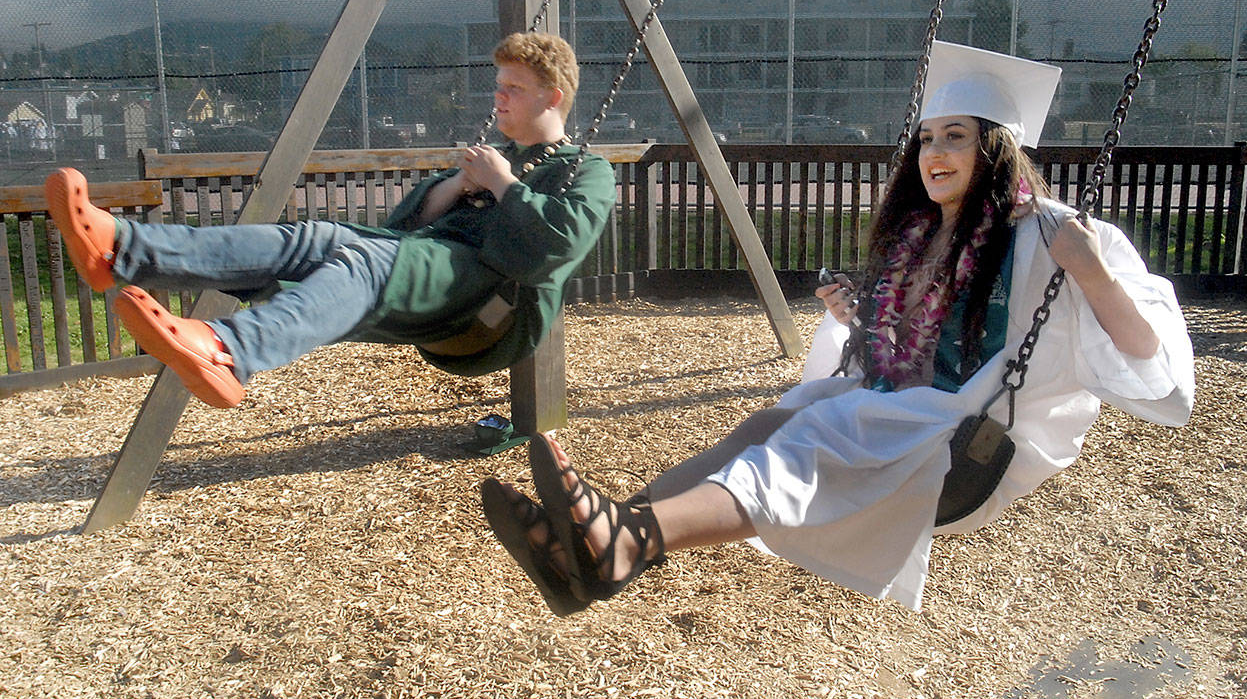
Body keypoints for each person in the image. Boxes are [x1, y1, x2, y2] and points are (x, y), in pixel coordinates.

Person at [480, 41, 1195, 617]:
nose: (934, 153)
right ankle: (593, 543)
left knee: (815, 436)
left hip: (962, 428)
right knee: (768, 422)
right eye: (926, 139)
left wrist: (1094, 275)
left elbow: (1154, 370)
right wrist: (856, 314)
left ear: (997, 148)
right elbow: (906, 340)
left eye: (956, 137)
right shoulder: (923, 234)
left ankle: (628, 538)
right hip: (899, 397)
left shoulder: (1050, 234)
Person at [45, 32, 616, 408]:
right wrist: (458, 185)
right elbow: (403, 227)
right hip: (433, 270)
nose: (499, 99)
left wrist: (503, 184)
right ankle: (120, 249)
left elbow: (556, 248)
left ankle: (229, 351)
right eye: (498, 86)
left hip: (491, 309)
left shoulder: (586, 170)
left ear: (552, 98)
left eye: (513, 89)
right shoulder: (495, 157)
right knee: (315, 238)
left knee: (365, 261)